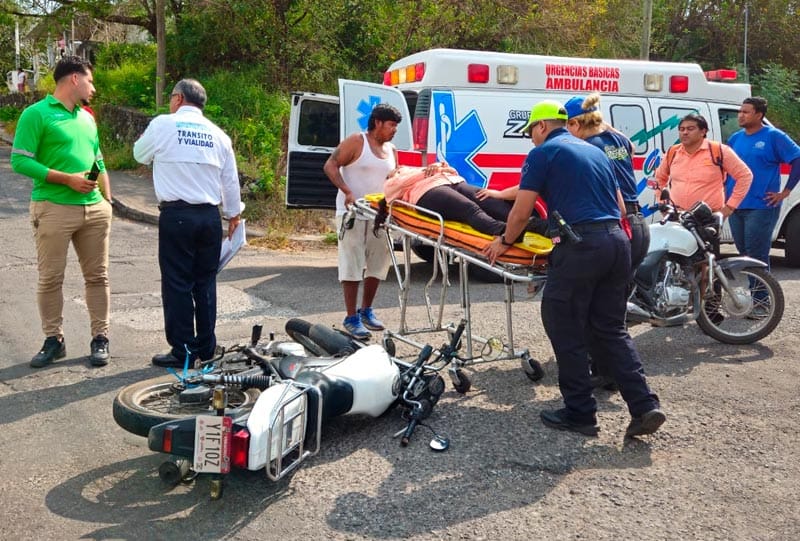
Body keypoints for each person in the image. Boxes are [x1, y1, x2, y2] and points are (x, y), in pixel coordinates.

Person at [484, 100, 665, 439]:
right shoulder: (594, 149)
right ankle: (644, 405)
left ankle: (580, 413)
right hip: (617, 242)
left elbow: (521, 212)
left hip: (582, 246)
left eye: (531, 134)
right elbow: (622, 205)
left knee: (563, 323)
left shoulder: (543, 153)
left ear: (541, 127)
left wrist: (504, 242)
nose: (532, 141)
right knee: (611, 328)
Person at [10, 56, 113, 368]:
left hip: (94, 209)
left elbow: (99, 160)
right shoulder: (36, 114)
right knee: (50, 278)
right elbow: (20, 160)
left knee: (98, 277)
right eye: (90, 80)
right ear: (73, 79)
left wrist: (108, 201)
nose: (93, 87)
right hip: (53, 206)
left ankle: (100, 338)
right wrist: (67, 179)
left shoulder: (87, 118)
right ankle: (54, 340)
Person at [133, 79, 242, 368]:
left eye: (171, 97)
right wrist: (234, 215)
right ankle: (206, 347)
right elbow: (230, 181)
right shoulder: (219, 135)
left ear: (178, 98)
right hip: (209, 218)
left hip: (177, 216)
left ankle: (182, 350)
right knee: (205, 282)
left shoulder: (163, 125)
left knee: (177, 283)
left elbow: (139, 154)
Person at [323, 103, 401, 341]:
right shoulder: (358, 141)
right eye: (391, 125)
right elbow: (330, 165)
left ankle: (366, 310)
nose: (394, 130)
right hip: (353, 213)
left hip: (380, 215)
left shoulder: (391, 149)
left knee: (378, 264)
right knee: (352, 263)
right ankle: (351, 317)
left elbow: (394, 178)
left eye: (396, 126)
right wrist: (346, 191)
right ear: (377, 122)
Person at [728, 97, 800, 270]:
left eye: (746, 112)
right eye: (740, 111)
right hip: (736, 205)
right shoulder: (735, 139)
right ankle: (754, 294)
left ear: (759, 115)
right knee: (743, 253)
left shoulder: (774, 136)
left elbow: (797, 159)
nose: (740, 115)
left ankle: (762, 297)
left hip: (761, 206)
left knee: (756, 255)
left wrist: (785, 192)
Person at [382, 163, 547, 237]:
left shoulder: (417, 169)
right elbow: (397, 187)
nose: (397, 169)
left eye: (398, 168)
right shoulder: (392, 181)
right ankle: (507, 232)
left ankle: (539, 226)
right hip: (428, 192)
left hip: (454, 182)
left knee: (490, 200)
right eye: (395, 170)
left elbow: (453, 171)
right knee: (470, 209)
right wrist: (431, 170)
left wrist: (442, 168)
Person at [653, 113, 752, 218]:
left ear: (703, 131)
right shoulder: (672, 152)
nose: (685, 132)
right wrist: (662, 203)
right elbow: (659, 178)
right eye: (681, 129)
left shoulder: (719, 151)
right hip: (677, 215)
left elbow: (745, 176)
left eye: (690, 129)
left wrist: (730, 207)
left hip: (708, 217)